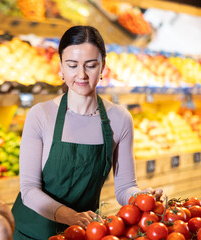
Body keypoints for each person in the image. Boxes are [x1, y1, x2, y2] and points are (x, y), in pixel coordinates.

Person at [11, 25, 165, 240]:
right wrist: (71, 217)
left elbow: (125, 188)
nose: (81, 74)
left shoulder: (119, 119)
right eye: (72, 65)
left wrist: (141, 196)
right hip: (30, 233)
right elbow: (28, 190)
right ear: (61, 68)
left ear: (103, 66)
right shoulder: (40, 115)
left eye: (91, 65)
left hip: (83, 234)